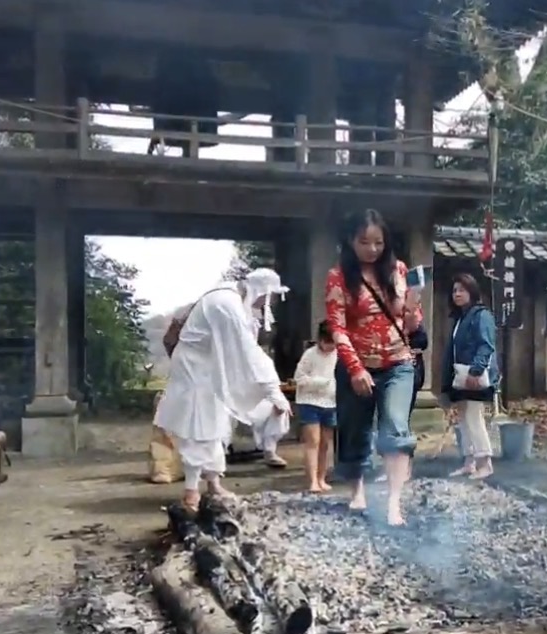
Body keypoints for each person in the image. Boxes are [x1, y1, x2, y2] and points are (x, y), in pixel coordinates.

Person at [154, 269, 291, 512]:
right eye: (269, 297)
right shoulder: (226, 305)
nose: (267, 303)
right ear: (262, 291)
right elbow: (248, 352)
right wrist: (273, 390)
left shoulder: (235, 301)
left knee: (217, 423)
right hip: (194, 368)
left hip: (209, 367)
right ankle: (191, 490)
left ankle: (213, 483)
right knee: (199, 427)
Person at [326, 209, 422, 526]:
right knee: (355, 430)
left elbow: (408, 324)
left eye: (378, 242)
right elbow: (337, 328)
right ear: (351, 241)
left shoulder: (398, 270)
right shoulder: (338, 276)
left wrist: (412, 311)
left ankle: (394, 502)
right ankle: (357, 490)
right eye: (364, 242)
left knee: (395, 426)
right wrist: (354, 369)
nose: (372, 249)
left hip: (397, 362)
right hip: (358, 365)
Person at [441, 273, 499, 479]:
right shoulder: (460, 317)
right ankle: (469, 460)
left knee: (474, 417)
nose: (457, 294)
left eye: (462, 290)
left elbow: (486, 344)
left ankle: (485, 462)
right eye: (455, 290)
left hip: (473, 373)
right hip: (460, 373)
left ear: (472, 292)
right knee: (464, 418)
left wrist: (477, 369)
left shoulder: (481, 315)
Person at [295, 321, 337, 493]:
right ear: (320, 340)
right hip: (310, 401)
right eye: (327, 343)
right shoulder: (310, 355)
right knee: (313, 442)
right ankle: (312, 480)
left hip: (331, 402)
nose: (330, 347)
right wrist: (319, 383)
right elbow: (299, 378)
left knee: (325, 444)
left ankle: (322, 478)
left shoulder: (338, 354)